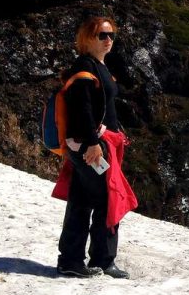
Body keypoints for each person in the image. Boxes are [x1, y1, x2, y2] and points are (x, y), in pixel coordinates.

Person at [54, 16, 137, 279]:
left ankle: (70, 260)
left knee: (80, 201)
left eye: (111, 34)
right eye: (102, 35)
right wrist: (93, 144)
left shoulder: (96, 66)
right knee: (106, 200)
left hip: (88, 145)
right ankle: (102, 259)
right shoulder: (84, 70)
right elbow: (83, 110)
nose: (108, 39)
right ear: (87, 38)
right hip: (90, 146)